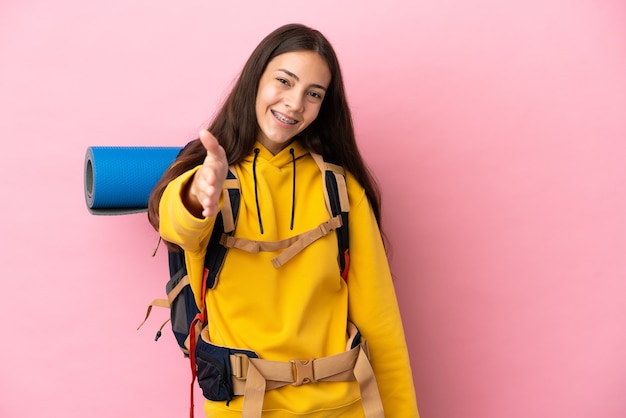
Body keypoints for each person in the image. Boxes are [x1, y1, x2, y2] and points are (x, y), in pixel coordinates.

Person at [148, 23, 419, 417]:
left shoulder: (339, 188)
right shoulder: (210, 174)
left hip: (343, 405)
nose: (294, 103)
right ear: (256, 80)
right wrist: (199, 193)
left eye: (313, 94)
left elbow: (381, 325)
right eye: (284, 81)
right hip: (241, 407)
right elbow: (178, 223)